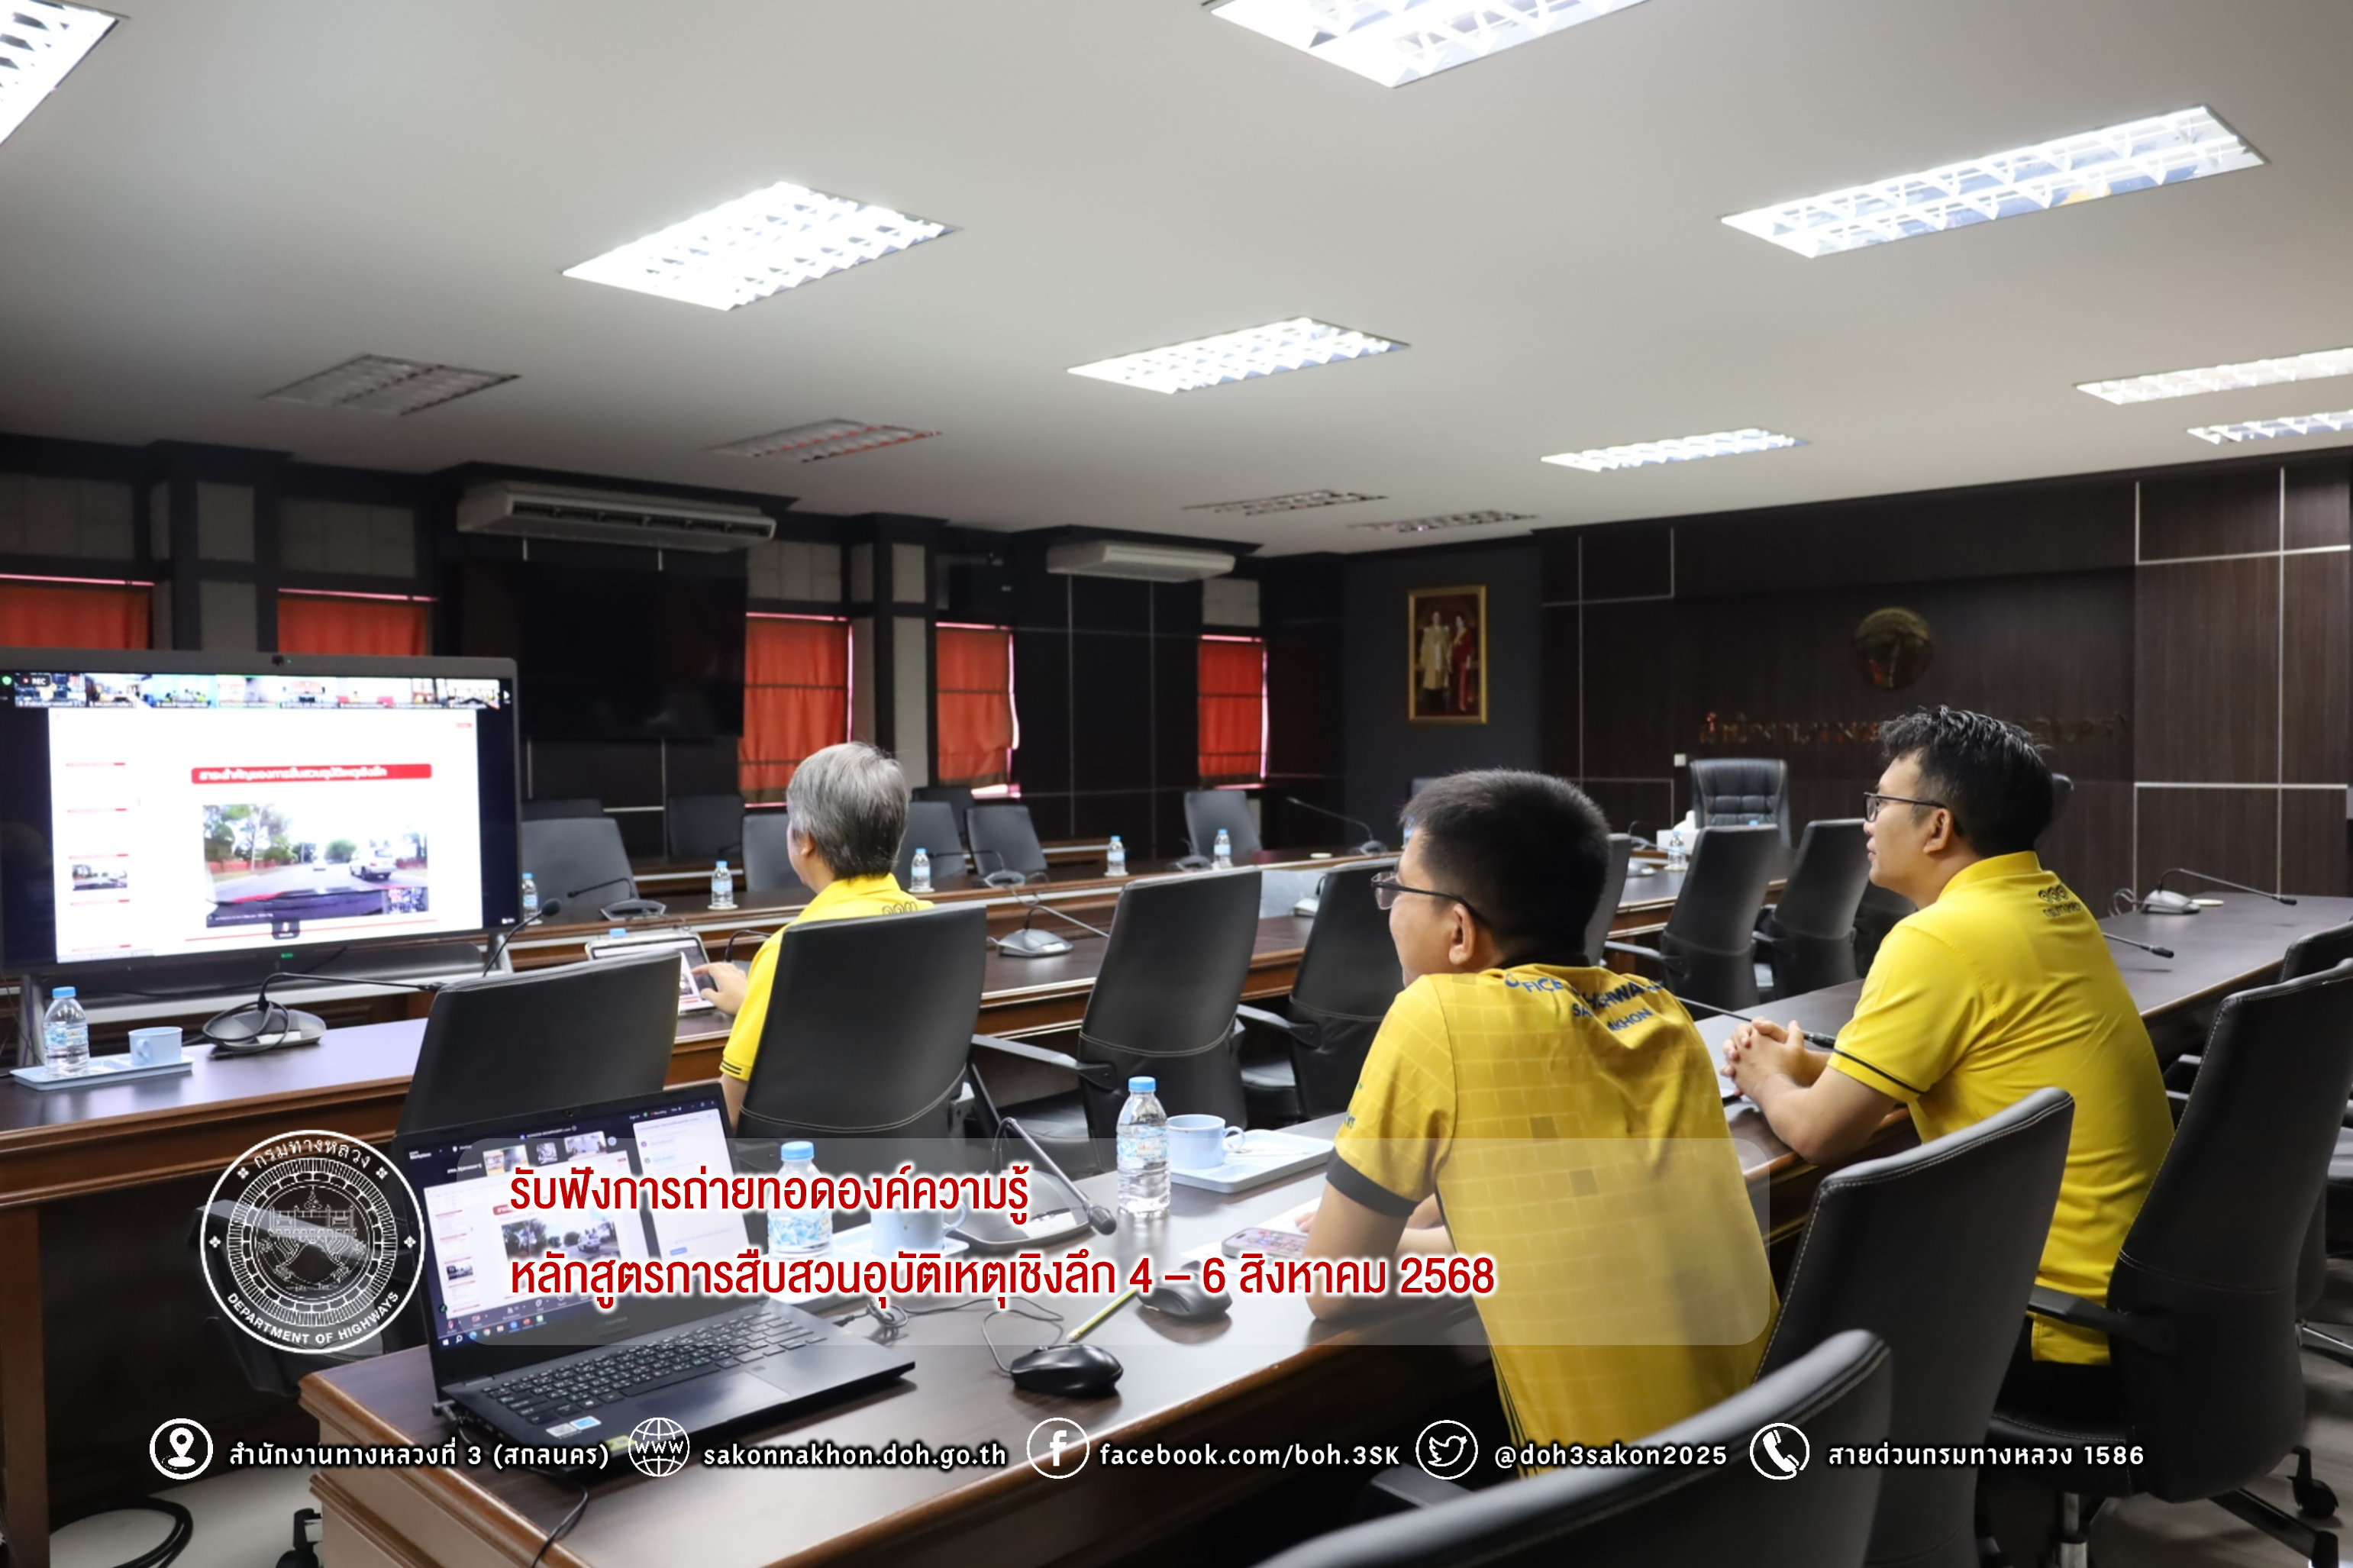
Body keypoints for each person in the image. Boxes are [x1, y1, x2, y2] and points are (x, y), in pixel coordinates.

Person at [1304, 771, 1774, 1451]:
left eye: (1398, 889)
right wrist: (1451, 1222)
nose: (1390, 908)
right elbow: (1590, 1210)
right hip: (1764, 1458)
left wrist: (1399, 1241)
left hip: (1615, 1497)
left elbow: (1333, 1281)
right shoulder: (1659, 1012)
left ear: (1459, 930)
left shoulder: (1439, 1015)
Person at [1722, 707, 2172, 1382]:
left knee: (1796, 1293)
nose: (1868, 823)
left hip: (2051, 1326)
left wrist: (1762, 1078)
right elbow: (1965, 1064)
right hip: (2137, 1306)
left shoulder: (1938, 937)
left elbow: (1820, 1136)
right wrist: (1812, 1066)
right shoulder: (2051, 902)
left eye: (1881, 804)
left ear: (1937, 827)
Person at [694, 742, 927, 1125]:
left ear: (806, 840)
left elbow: (730, 1113)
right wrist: (756, 1003)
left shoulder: (788, 951)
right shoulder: (933, 922)